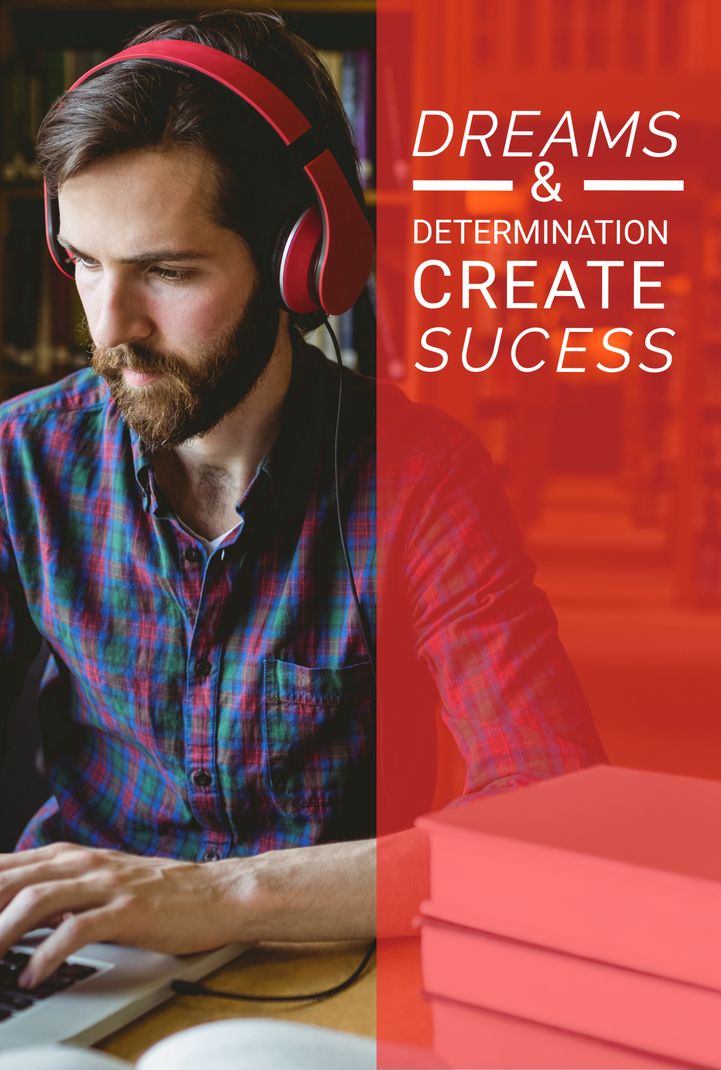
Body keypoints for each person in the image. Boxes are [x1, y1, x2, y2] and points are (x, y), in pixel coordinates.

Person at [0, 10, 603, 989]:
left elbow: (556, 821)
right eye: (86, 264)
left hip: (318, 969)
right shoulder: (22, 457)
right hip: (66, 958)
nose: (111, 329)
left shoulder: (422, 476)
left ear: (303, 263)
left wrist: (216, 895)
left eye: (167, 270)